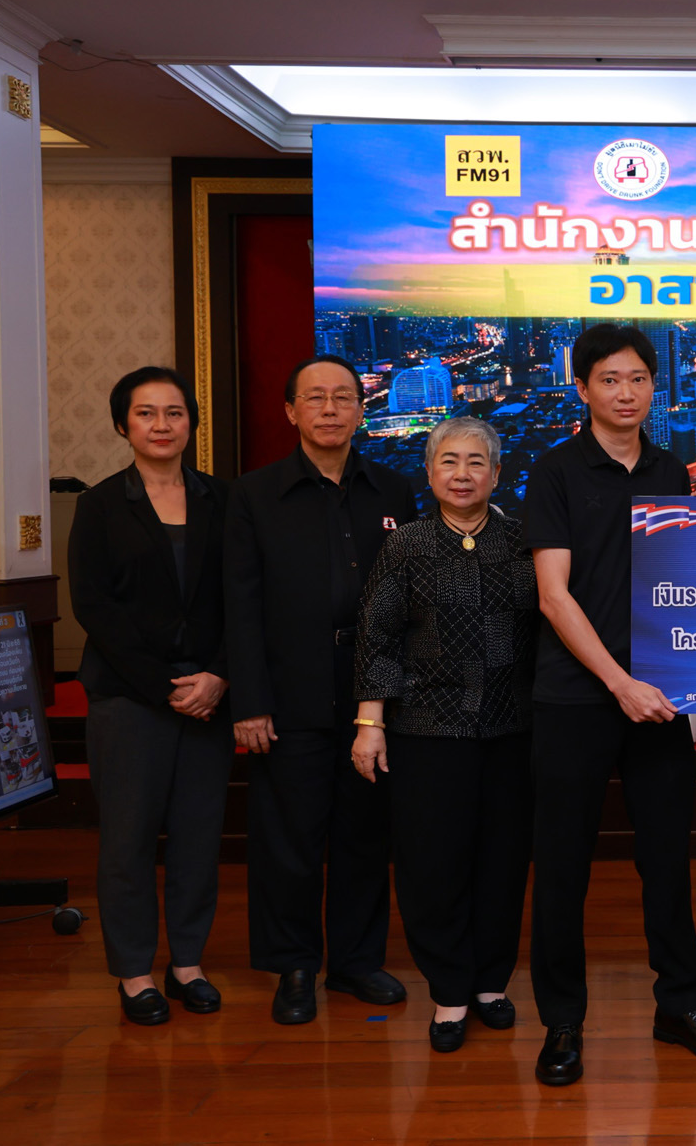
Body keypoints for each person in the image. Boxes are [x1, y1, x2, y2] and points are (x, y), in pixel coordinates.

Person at [524, 323, 696, 1087]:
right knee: (562, 866)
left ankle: (680, 1004)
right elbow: (553, 596)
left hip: (659, 696)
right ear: (582, 388)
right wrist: (619, 682)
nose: (625, 392)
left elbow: (680, 580)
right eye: (609, 379)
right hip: (575, 697)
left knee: (667, 860)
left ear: (655, 386)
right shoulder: (555, 470)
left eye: (638, 379)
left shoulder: (669, 468)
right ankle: (562, 1021)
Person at [225, 355, 419, 1024]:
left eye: (343, 397)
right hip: (290, 687)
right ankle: (295, 965)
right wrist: (250, 701)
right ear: (291, 411)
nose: (330, 409)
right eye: (315, 398)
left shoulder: (393, 489)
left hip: (373, 693)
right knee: (290, 838)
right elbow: (240, 606)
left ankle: (357, 961)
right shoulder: (254, 495)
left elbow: (409, 602)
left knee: (365, 831)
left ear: (362, 410)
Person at [350, 417, 537, 1053]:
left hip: (512, 730)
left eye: (476, 462)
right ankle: (450, 990)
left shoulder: (521, 542)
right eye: (449, 462)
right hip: (426, 729)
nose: (462, 474)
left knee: (503, 862)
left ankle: (491, 983)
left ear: (497, 474)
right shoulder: (407, 544)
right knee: (432, 865)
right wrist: (370, 724)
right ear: (429, 473)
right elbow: (378, 637)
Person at [68, 366, 231, 1026]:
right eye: (146, 413)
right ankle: (134, 972)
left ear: (191, 423)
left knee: (198, 838)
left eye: (174, 412)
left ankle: (187, 963)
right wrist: (164, 687)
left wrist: (218, 674)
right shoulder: (101, 505)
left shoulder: (224, 499)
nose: (162, 425)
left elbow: (245, 595)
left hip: (210, 695)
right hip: (130, 699)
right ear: (122, 424)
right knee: (128, 841)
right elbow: (94, 607)